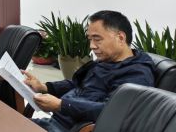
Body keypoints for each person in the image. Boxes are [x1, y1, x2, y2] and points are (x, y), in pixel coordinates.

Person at [23, 10, 155, 132]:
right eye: (90, 39)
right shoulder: (107, 60)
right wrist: (44, 87)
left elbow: (111, 111)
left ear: (120, 38)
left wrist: (61, 105)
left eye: (97, 39)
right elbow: (77, 84)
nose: (92, 46)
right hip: (53, 122)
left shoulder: (137, 75)